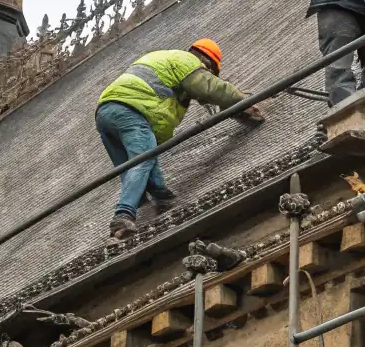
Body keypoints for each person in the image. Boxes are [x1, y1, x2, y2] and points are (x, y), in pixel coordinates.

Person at [97, 38, 263, 240]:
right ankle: (123, 216)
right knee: (143, 160)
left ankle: (160, 196)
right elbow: (211, 88)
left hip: (106, 112)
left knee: (135, 164)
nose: (206, 72)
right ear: (204, 59)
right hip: (130, 111)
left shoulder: (165, 61)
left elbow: (197, 97)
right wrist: (244, 101)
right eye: (208, 69)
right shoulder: (186, 60)